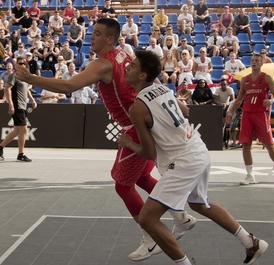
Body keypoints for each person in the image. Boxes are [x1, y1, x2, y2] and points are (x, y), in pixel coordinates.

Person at [14, 18, 196, 261]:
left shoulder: (103, 64)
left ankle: (151, 236)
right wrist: (172, 102)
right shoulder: (124, 54)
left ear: (111, 39)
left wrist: (32, 79)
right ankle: (180, 214)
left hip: (135, 127)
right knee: (141, 176)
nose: (92, 36)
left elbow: (69, 86)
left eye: (98, 33)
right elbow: (147, 82)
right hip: (148, 123)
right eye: (93, 32)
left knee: (122, 185)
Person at [119, 50, 269, 265]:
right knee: (200, 204)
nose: (127, 68)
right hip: (198, 149)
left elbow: (149, 153)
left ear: (142, 75)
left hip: (183, 160)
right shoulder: (162, 87)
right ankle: (250, 242)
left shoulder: (138, 108)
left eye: (132, 66)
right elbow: (186, 111)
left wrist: (127, 143)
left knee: (147, 218)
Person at [226, 54, 274, 185]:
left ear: (262, 63)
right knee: (245, 144)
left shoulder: (267, 78)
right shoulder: (245, 79)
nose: (254, 63)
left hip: (261, 114)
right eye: (253, 61)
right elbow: (239, 99)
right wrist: (231, 111)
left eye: (257, 61)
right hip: (247, 114)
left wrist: (271, 100)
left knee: (269, 144)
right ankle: (249, 175)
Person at [0, 57, 37, 162]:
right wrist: (11, 104)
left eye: (23, 63)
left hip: (24, 105)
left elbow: (26, 90)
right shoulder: (13, 76)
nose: (22, 65)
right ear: (16, 65)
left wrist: (32, 100)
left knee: (18, 130)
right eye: (19, 63)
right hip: (17, 105)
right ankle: (21, 154)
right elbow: (7, 89)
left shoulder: (25, 77)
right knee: (23, 129)